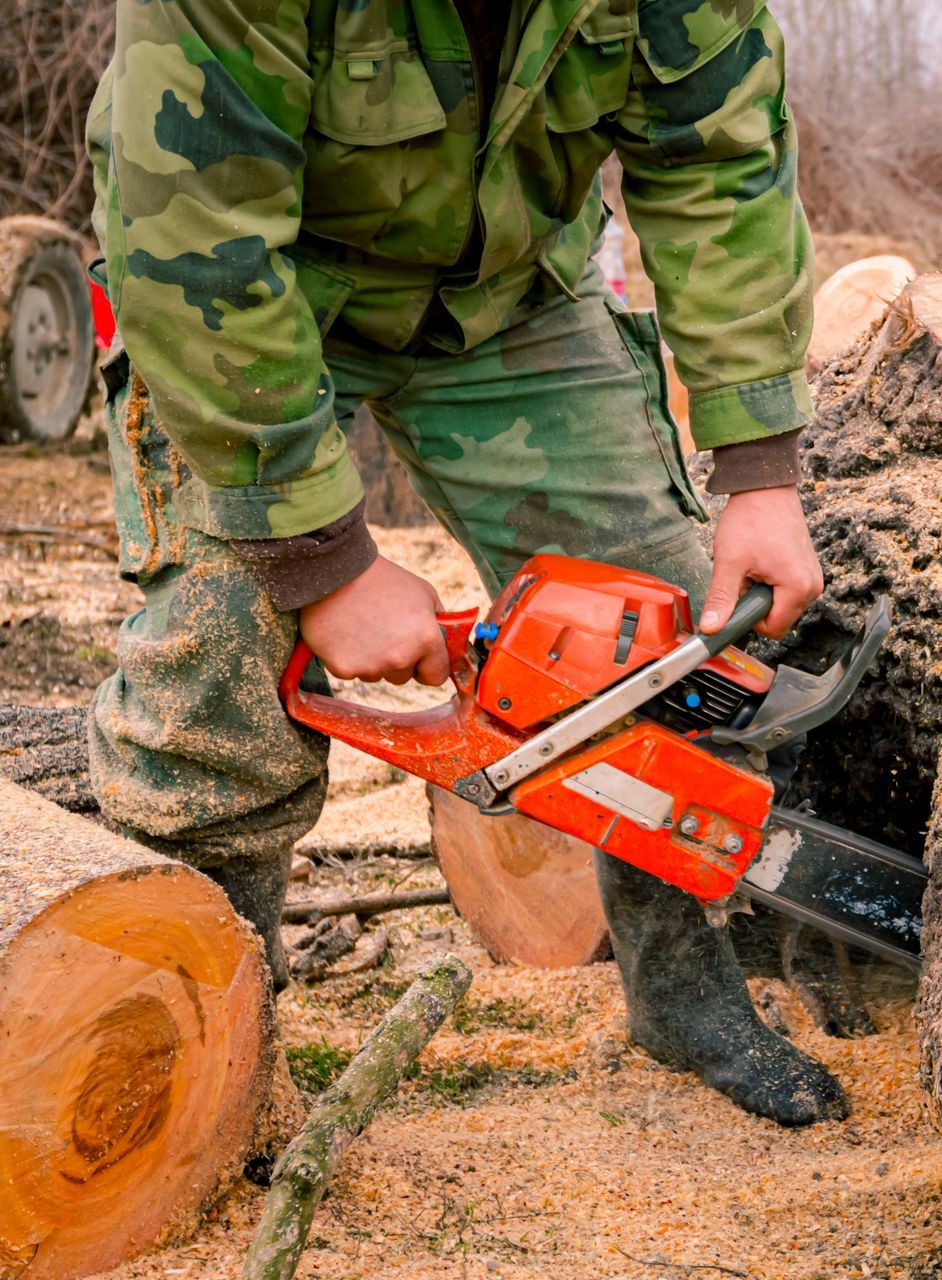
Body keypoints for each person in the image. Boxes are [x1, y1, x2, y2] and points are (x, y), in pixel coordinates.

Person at [85, 0, 846, 1126]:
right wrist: (325, 560)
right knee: (217, 682)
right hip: (245, 301)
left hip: (507, 302)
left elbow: (717, 158)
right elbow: (192, 230)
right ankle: (195, 1062)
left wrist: (759, 463)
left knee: (660, 629)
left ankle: (681, 992)